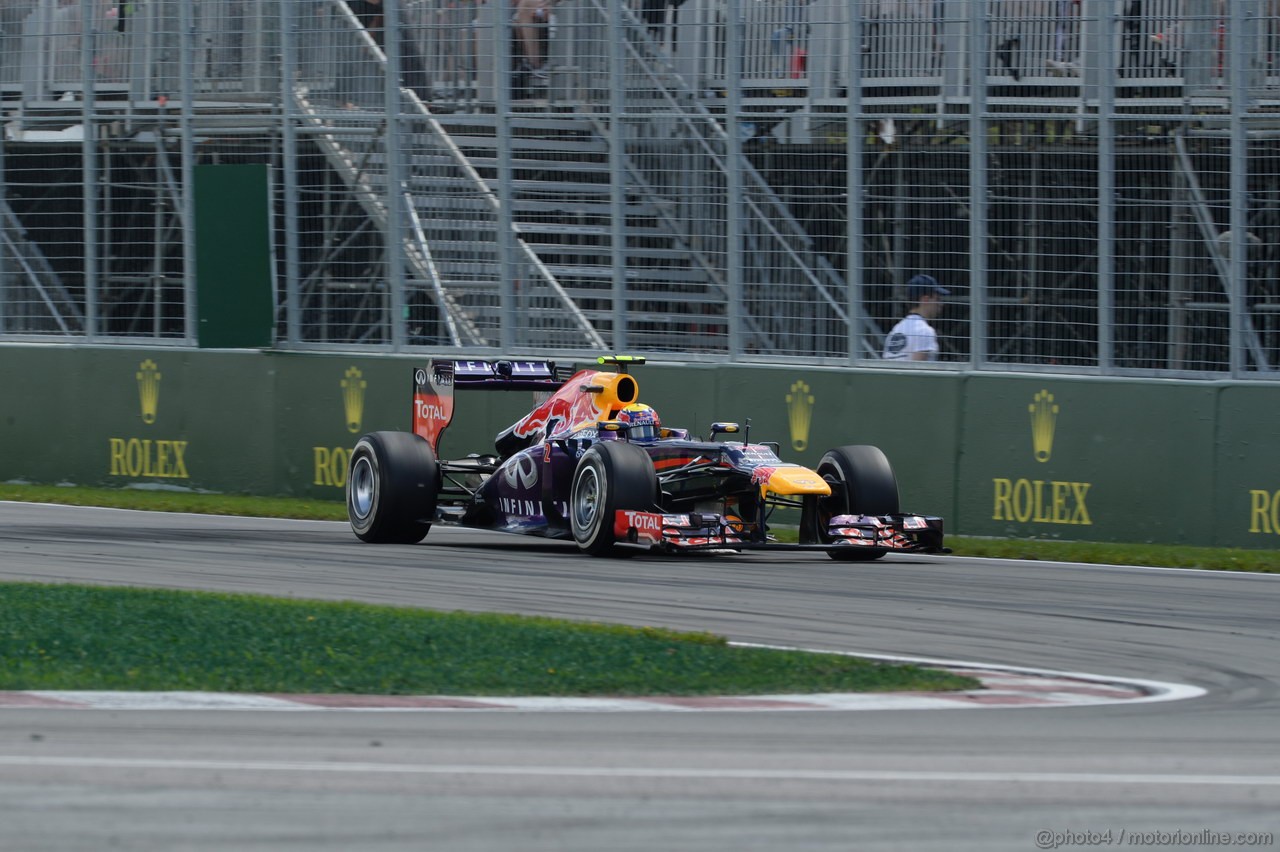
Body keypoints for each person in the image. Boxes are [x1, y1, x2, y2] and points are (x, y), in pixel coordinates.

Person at [882, 274, 949, 361]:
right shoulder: (924, 331)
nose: (941, 304)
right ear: (926, 299)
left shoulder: (895, 330)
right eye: (938, 299)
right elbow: (918, 371)